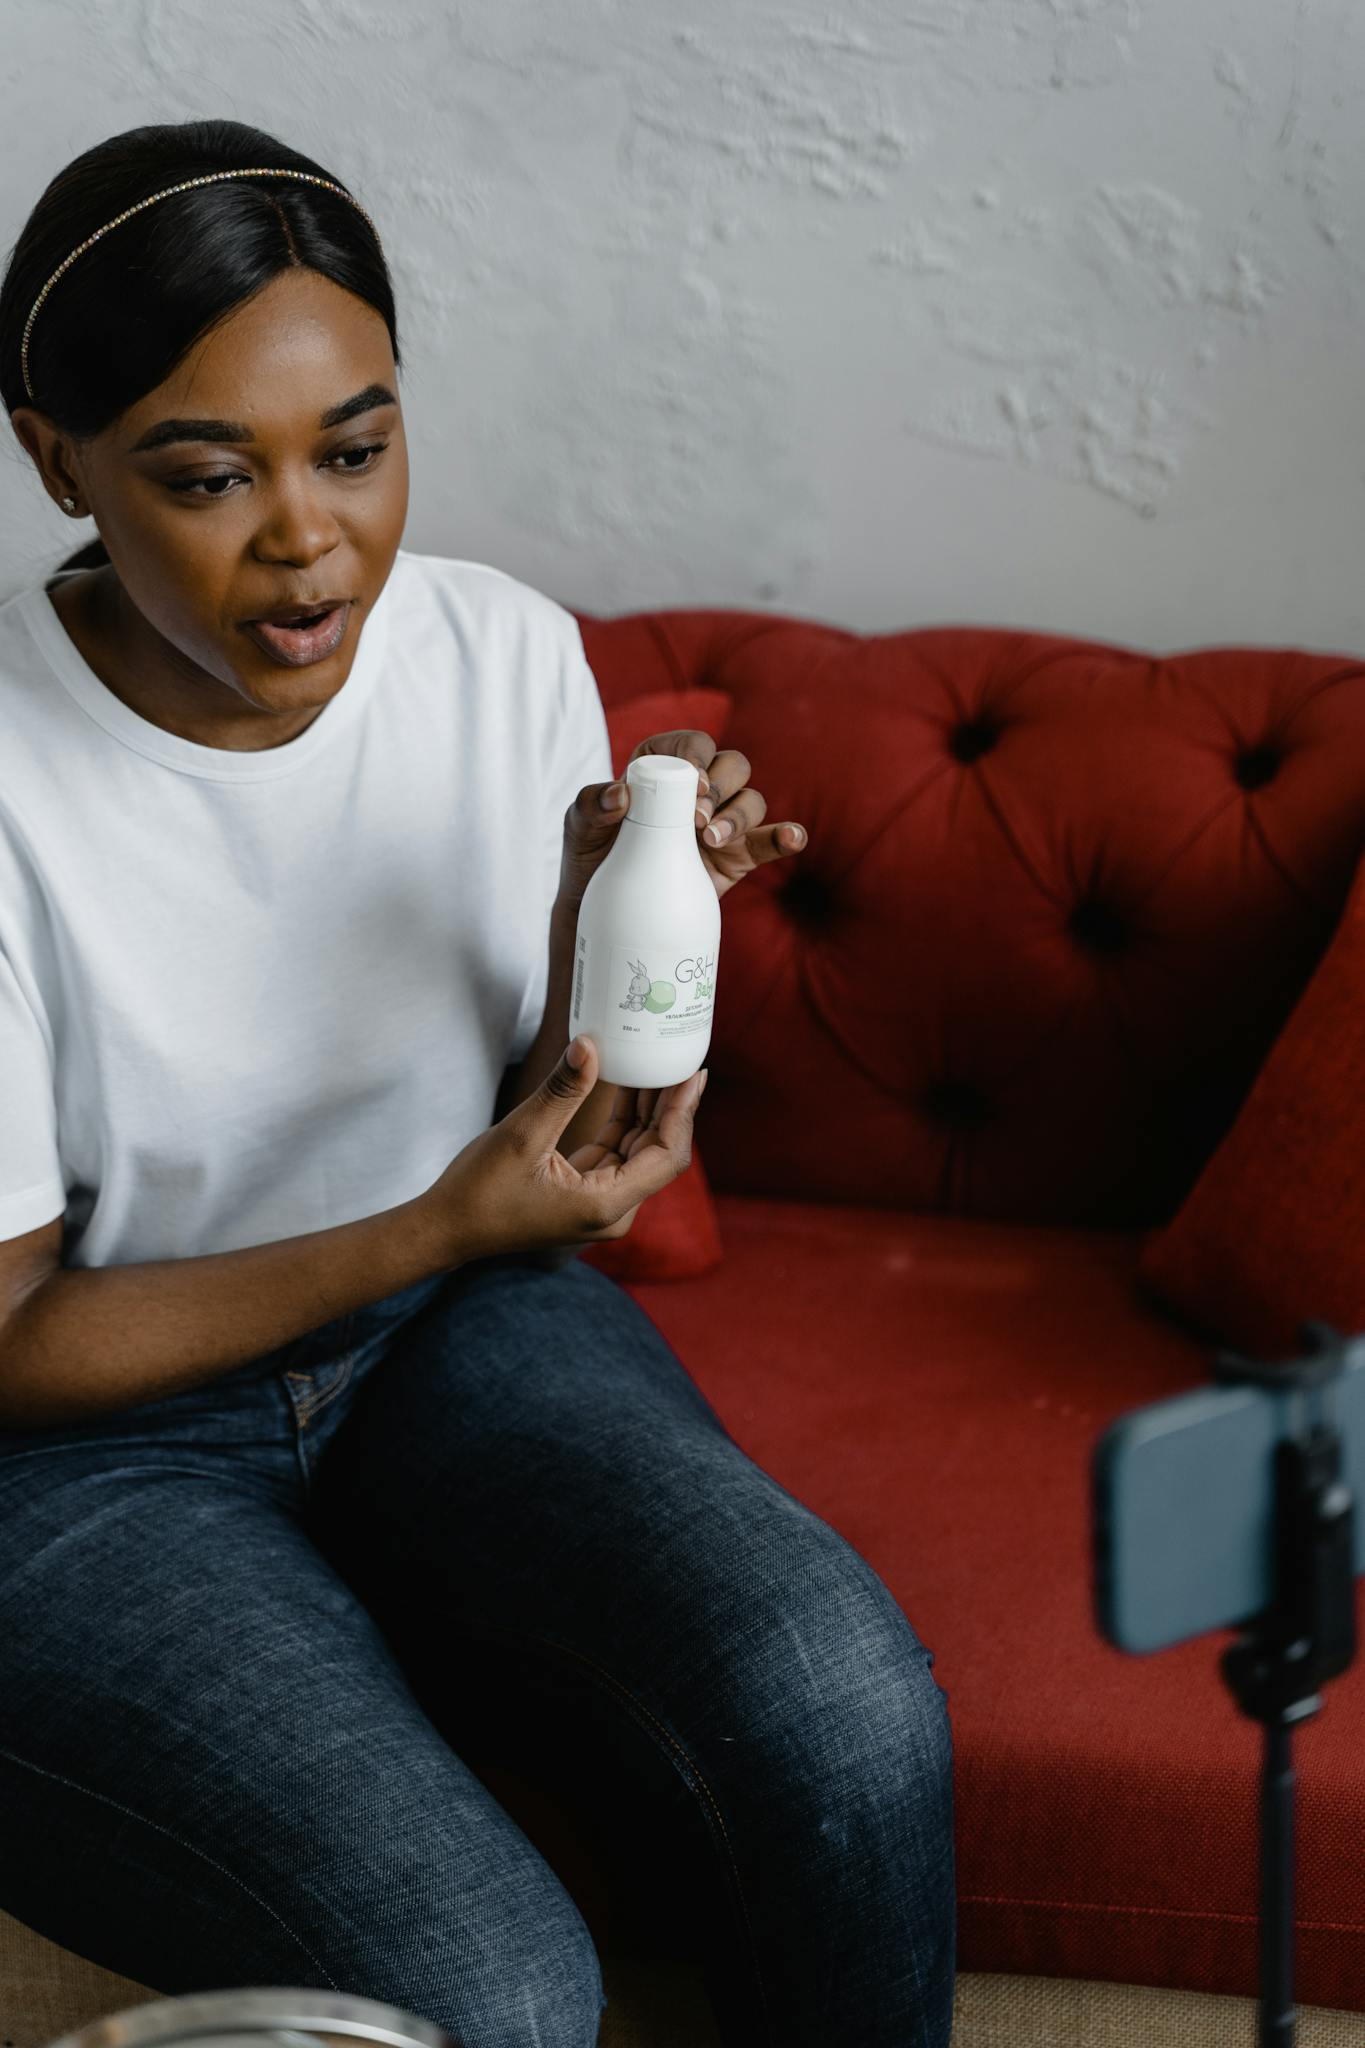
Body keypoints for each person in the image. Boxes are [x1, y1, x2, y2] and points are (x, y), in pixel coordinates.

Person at [0, 119, 956, 2048]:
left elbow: (556, 1119)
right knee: (485, 1984)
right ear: (55, 459)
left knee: (841, 1693)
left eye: (354, 449)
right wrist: (435, 1224)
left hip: (446, 1335)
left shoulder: (503, 651)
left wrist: (603, 924)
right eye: (206, 475)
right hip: (79, 1460)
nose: (308, 537)